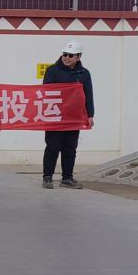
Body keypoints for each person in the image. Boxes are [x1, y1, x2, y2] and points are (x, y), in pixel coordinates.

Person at [41, 40, 95, 190]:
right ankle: (47, 177)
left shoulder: (83, 73)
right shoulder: (52, 70)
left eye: (71, 55)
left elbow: (88, 94)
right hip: (56, 116)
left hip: (74, 117)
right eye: (65, 54)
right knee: (53, 147)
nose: (66, 58)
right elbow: (46, 90)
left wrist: (90, 114)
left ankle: (67, 178)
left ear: (78, 57)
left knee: (70, 148)